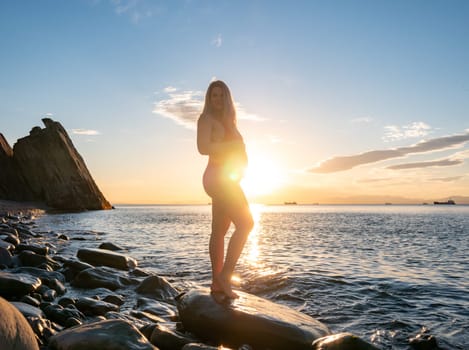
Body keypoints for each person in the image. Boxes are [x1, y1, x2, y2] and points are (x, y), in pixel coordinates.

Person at [197, 80, 254, 299]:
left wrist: (243, 165)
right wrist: (233, 146)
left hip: (229, 179)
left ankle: (216, 282)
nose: (218, 100)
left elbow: (240, 150)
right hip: (216, 177)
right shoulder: (206, 119)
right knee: (247, 223)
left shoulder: (229, 122)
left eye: (222, 96)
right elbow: (202, 148)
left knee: (220, 229)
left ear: (227, 98)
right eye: (214, 96)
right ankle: (225, 275)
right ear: (209, 99)